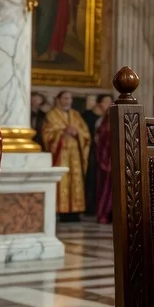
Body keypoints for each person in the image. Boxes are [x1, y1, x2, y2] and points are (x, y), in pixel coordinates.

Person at [43, 90, 91, 222]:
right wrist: (63, 132)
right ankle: (61, 211)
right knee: (62, 181)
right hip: (61, 155)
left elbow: (86, 134)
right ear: (58, 100)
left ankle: (75, 211)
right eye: (65, 98)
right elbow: (47, 134)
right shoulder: (51, 115)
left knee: (75, 181)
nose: (68, 101)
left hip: (75, 155)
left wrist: (78, 133)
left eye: (69, 99)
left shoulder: (75, 115)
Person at [93, 94, 115, 224]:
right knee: (106, 191)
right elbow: (101, 145)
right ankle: (104, 214)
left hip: (119, 163)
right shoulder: (103, 126)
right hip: (107, 163)